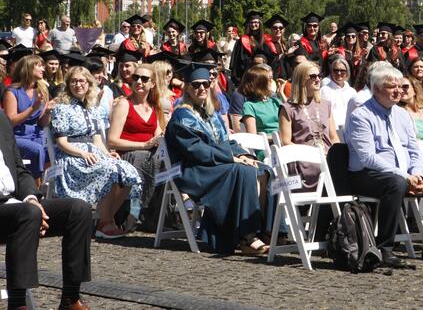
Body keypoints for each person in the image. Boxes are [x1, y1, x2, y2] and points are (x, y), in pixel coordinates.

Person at [346, 64, 423, 265]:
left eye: (400, 86)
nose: (398, 90)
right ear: (377, 88)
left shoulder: (402, 114)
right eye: (392, 87)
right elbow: (368, 158)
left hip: (403, 172)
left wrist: (417, 174)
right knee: (395, 183)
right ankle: (385, 248)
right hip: (366, 174)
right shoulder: (361, 116)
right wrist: (405, 177)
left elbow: (414, 149)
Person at [165, 64, 270, 255]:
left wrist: (243, 155)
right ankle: (247, 236)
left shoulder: (210, 114)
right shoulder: (182, 116)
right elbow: (196, 151)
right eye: (196, 85)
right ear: (187, 88)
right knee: (242, 171)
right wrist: (231, 158)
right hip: (193, 170)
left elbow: (225, 142)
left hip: (213, 165)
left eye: (206, 84)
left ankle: (268, 231)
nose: (202, 88)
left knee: (262, 169)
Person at [0, 111, 93, 310]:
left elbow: (20, 169)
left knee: (78, 209)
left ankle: (70, 297)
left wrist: (32, 198)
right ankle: (17, 304)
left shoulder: (1, 118)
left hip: (15, 203)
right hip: (9, 211)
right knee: (28, 214)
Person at [51, 67, 142, 239]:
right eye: (74, 81)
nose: (78, 85)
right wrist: (82, 154)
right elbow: (62, 143)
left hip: (94, 155)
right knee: (109, 171)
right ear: (68, 84)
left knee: (127, 171)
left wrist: (108, 154)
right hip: (72, 156)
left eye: (82, 81)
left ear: (88, 84)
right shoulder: (61, 108)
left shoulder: (91, 108)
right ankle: (106, 223)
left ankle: (103, 219)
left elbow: (97, 140)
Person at [108, 63, 164, 230]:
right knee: (142, 158)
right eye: (136, 77)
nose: (139, 81)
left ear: (152, 83)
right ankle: (132, 212)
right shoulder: (124, 104)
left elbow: (158, 134)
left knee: (164, 162)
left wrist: (158, 141)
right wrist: (143, 145)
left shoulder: (154, 106)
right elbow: (112, 140)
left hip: (148, 155)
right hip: (126, 154)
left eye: (144, 78)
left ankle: (158, 215)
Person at [280, 61, 340, 191]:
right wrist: (313, 154)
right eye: (313, 76)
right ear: (301, 80)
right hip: (303, 159)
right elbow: (285, 142)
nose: (318, 79)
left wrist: (336, 154)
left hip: (328, 156)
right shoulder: (288, 108)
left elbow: (333, 137)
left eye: (319, 75)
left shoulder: (326, 104)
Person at [3, 55, 53, 181]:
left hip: (37, 134)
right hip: (16, 136)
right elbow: (11, 121)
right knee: (36, 150)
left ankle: (49, 185)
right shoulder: (12, 92)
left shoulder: (41, 90)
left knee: (55, 150)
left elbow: (42, 123)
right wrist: (33, 109)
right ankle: (35, 186)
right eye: (39, 66)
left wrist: (47, 111)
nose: (43, 68)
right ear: (28, 68)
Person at [240, 65, 284, 140]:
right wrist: (275, 138)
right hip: (266, 146)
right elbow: (253, 137)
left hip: (283, 142)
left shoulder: (275, 102)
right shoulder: (249, 106)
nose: (272, 82)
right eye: (269, 79)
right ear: (260, 84)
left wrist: (281, 93)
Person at [320, 56, 356, 130]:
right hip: (333, 131)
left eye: (342, 70)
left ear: (347, 72)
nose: (339, 73)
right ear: (331, 72)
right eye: (336, 70)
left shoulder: (352, 92)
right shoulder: (324, 90)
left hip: (350, 129)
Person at [262, 14, 291, 81]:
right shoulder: (266, 44)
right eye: (275, 28)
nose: (278, 30)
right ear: (271, 29)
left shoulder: (285, 44)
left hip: (286, 78)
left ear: (283, 30)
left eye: (280, 28)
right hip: (273, 78)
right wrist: (285, 54)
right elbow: (268, 63)